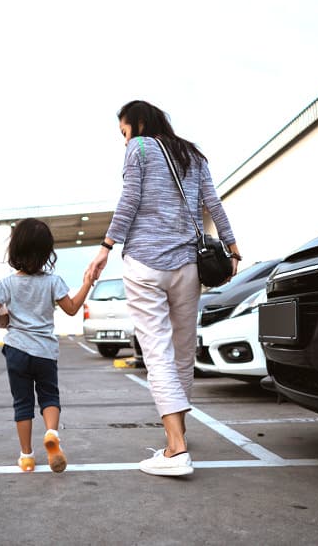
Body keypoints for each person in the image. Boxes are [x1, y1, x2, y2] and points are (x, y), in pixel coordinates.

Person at [86, 100, 241, 477]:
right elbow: (212, 203)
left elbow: (131, 200)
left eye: (124, 132)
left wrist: (106, 248)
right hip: (188, 265)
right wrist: (232, 245)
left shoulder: (140, 148)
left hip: (144, 263)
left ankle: (176, 448)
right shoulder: (192, 154)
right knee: (183, 353)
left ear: (138, 123)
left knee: (156, 352)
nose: (124, 142)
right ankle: (178, 435)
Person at [0, 218, 94, 473]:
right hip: (45, 352)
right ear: (47, 253)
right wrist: (88, 282)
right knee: (49, 397)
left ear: (15, 250)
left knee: (22, 403)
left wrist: (2, 317)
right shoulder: (53, 282)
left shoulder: (7, 284)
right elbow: (72, 308)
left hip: (17, 351)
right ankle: (52, 433)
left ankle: (27, 456)